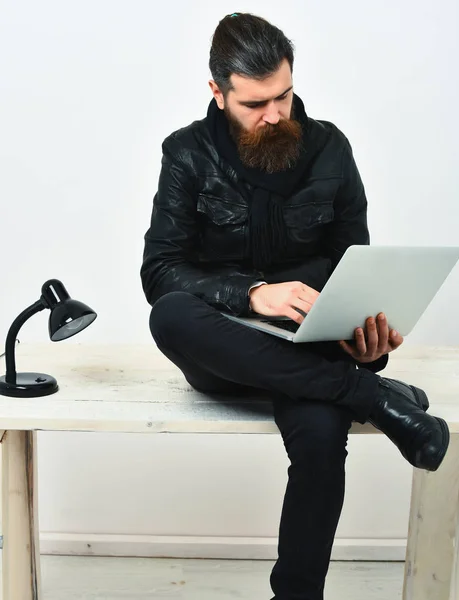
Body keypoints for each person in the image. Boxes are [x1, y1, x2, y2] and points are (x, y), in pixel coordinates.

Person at [140, 12, 449, 600]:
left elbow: (352, 260)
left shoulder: (331, 147)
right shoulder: (184, 154)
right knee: (170, 314)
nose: (276, 114)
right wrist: (253, 295)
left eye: (284, 95)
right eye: (256, 103)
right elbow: (161, 272)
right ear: (218, 91)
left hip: (314, 347)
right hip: (225, 350)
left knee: (321, 438)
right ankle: (374, 399)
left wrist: (368, 327)